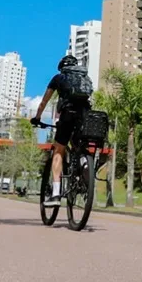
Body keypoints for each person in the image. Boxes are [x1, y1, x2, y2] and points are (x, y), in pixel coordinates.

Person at [31, 54, 93, 206]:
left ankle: (56, 194)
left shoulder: (59, 78)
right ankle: (85, 163)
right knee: (79, 146)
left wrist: (37, 118)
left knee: (59, 151)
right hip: (85, 115)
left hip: (68, 115)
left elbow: (44, 101)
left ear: (62, 67)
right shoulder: (85, 77)